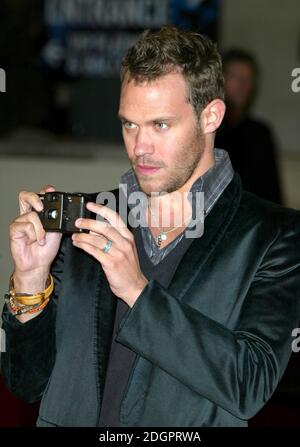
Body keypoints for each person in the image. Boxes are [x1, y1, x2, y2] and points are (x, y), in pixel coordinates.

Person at [1, 26, 300, 427]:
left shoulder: (273, 236)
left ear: (210, 116)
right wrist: (30, 281)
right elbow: (26, 383)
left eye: (160, 125)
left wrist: (138, 292)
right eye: (129, 124)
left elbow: (248, 384)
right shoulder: (90, 222)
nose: (140, 147)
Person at [215, 49, 283, 204]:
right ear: (220, 80)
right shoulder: (208, 131)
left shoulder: (260, 133)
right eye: (235, 77)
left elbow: (273, 193)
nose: (242, 85)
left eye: (248, 79)